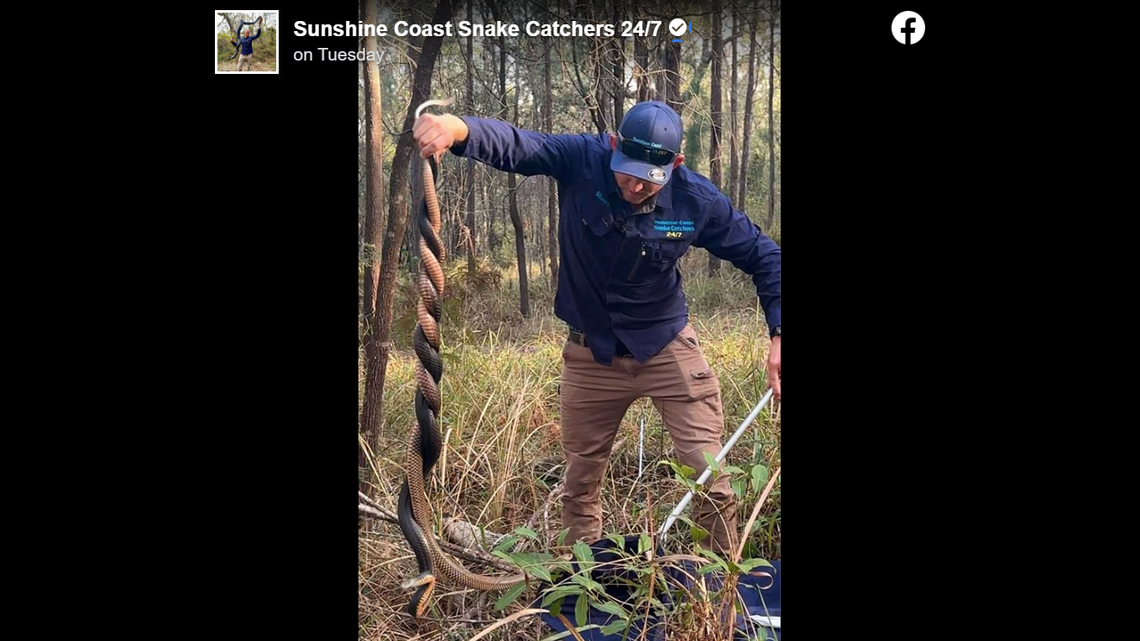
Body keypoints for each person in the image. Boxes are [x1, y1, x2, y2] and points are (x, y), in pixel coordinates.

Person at [412, 101, 780, 556]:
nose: (635, 185)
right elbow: (521, 145)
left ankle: (716, 582)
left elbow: (765, 256)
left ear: (675, 164)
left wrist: (779, 332)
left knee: (709, 475)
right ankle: (582, 579)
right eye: (627, 171)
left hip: (666, 347)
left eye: (650, 177)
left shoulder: (696, 200)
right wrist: (458, 129)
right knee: (580, 482)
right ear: (613, 146)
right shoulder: (582, 160)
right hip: (590, 355)